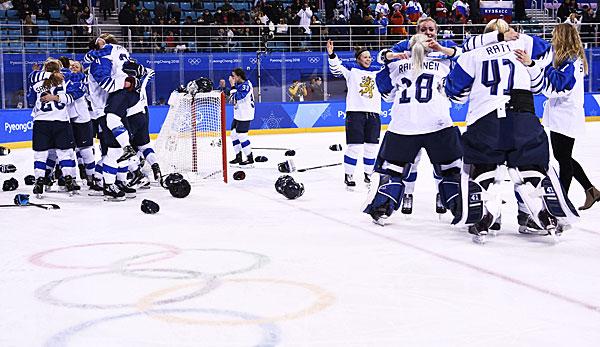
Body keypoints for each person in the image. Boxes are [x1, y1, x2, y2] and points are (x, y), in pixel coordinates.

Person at [443, 19, 579, 243]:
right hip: (523, 115)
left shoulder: (472, 53)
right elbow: (544, 71)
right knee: (530, 169)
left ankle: (488, 211)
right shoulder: (525, 43)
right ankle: (534, 213)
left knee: (484, 168)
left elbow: (455, 92)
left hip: (484, 120)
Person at [363, 33, 462, 225]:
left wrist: (386, 57)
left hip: (403, 125)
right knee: (451, 169)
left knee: (392, 170)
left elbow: (386, 94)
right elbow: (458, 84)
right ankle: (460, 207)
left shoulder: (396, 65)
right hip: (438, 124)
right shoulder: (444, 63)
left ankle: (382, 207)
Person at [540, 23, 600, 210]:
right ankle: (590, 190)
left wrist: (544, 70)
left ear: (562, 37)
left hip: (566, 114)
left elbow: (563, 87)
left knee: (563, 158)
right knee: (563, 156)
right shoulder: (571, 58)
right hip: (564, 113)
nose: (552, 39)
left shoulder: (571, 60)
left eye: (554, 35)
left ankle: (562, 200)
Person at [327, 40, 383, 187]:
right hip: (355, 114)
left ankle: (368, 174)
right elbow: (336, 67)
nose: (368, 59)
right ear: (358, 59)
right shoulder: (351, 71)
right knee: (355, 147)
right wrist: (331, 55)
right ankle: (349, 175)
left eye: (370, 57)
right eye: (365, 57)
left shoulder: (378, 72)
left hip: (373, 114)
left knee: (371, 147)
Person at [30, 59, 84, 197]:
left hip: (41, 122)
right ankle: (69, 180)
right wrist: (58, 97)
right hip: (61, 122)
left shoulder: (37, 82)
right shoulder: (65, 82)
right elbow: (75, 96)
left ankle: (39, 182)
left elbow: (32, 86)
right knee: (64, 153)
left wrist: (52, 95)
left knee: (40, 155)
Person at [228, 68, 256, 166]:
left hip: (245, 114)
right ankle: (238, 156)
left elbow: (238, 96)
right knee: (233, 134)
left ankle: (250, 158)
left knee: (242, 136)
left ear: (239, 76)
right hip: (238, 114)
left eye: (234, 76)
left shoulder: (246, 85)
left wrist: (232, 85)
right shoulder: (239, 85)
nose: (232, 78)